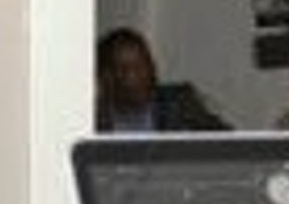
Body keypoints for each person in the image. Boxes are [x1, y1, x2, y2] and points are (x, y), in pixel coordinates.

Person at [96, 26, 230, 132]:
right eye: (130, 69)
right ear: (108, 77)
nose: (144, 74)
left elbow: (230, 143)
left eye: (146, 63)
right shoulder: (92, 120)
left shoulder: (179, 103)